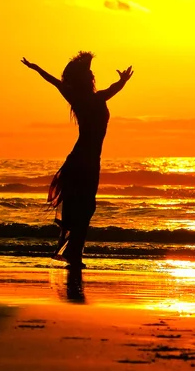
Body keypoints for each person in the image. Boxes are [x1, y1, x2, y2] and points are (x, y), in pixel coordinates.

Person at [21, 52, 133, 268]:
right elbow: (53, 81)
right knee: (84, 206)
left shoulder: (96, 97)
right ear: (85, 80)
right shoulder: (81, 98)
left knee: (85, 207)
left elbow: (113, 89)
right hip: (83, 158)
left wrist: (123, 81)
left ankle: (74, 251)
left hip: (89, 159)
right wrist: (36, 68)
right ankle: (74, 253)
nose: (92, 76)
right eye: (89, 74)